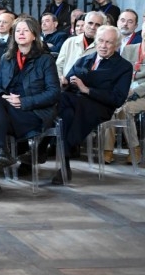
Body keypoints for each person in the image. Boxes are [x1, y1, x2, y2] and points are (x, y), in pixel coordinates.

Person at [0, 17, 60, 196]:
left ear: (34, 35)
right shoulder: (7, 58)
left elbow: (53, 93)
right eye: (18, 30)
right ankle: (1, 152)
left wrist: (24, 101)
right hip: (8, 111)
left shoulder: (45, 59)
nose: (21, 34)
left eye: (26, 30)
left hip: (33, 113)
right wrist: (4, 97)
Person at [56, 25, 133, 184]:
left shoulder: (124, 66)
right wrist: (65, 83)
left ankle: (43, 146)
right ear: (95, 41)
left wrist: (87, 90)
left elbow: (118, 98)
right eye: (101, 41)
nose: (103, 45)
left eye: (109, 42)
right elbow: (70, 82)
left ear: (117, 45)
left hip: (100, 106)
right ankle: (64, 162)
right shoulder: (84, 59)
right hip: (75, 103)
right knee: (67, 111)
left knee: (63, 102)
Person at [56, 11, 103, 84]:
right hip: (65, 85)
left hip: (88, 87)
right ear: (85, 24)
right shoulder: (70, 41)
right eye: (90, 23)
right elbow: (59, 65)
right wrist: (61, 78)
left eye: (97, 25)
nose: (93, 27)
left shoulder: (103, 46)